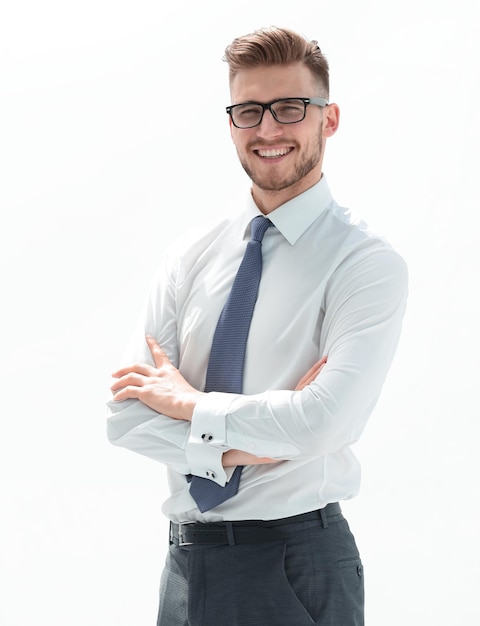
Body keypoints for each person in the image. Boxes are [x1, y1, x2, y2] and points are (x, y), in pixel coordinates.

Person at [106, 26, 408, 626]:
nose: (268, 130)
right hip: (186, 568)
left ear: (330, 119)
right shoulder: (190, 257)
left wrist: (192, 407)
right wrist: (251, 450)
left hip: (297, 562)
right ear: (231, 122)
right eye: (249, 110)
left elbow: (325, 420)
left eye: (290, 108)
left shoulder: (365, 263)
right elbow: (128, 418)